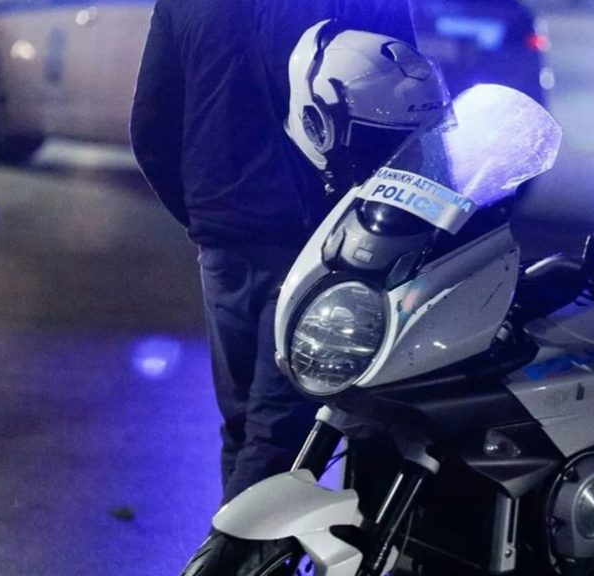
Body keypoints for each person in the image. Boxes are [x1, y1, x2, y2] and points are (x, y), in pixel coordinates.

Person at [130, 0, 420, 505]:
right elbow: (409, 97)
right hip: (319, 241)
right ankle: (233, 547)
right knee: (277, 435)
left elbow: (150, 125)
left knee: (245, 426)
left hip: (224, 242)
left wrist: (204, 213)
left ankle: (245, 540)